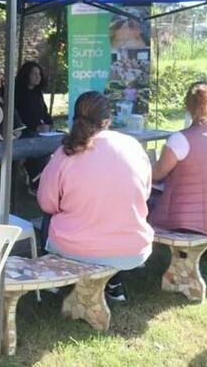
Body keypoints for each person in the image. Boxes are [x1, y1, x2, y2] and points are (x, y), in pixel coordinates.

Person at [37, 91, 153, 301]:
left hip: (75, 247)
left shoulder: (65, 153)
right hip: (131, 249)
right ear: (107, 119)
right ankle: (114, 282)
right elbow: (144, 193)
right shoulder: (132, 146)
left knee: (49, 217)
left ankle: (54, 278)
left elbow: (47, 203)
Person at [150, 82, 207, 238]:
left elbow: (156, 175)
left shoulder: (180, 139)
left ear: (186, 105)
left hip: (186, 222)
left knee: (147, 200)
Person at [14, 61, 53, 136]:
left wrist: (49, 124)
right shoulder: (17, 93)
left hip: (41, 131)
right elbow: (20, 116)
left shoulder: (37, 92)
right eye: (35, 74)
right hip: (24, 132)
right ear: (27, 75)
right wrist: (36, 127)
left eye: (39, 74)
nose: (38, 77)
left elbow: (44, 112)